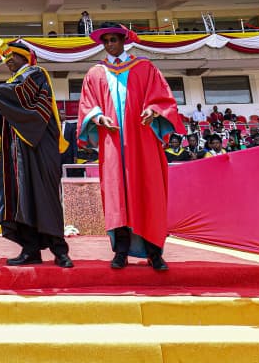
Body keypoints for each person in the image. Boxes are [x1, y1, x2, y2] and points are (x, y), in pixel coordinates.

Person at [76, 23, 185, 271]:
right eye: (106, 41)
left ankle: (154, 252)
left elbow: (163, 99)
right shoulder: (95, 72)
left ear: (124, 41)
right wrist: (97, 117)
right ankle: (121, 251)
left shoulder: (145, 68)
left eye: (113, 39)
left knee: (148, 192)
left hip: (142, 141)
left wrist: (153, 111)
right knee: (117, 196)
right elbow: (87, 104)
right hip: (113, 142)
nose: (110, 45)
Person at [0, 39, 73, 268]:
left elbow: (20, 94)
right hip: (16, 152)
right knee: (21, 200)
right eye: (7, 57)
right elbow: (8, 116)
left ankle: (60, 251)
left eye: (13, 57)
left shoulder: (35, 74)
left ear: (26, 58)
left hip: (37, 148)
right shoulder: (12, 83)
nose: (9, 61)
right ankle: (30, 249)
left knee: (44, 197)